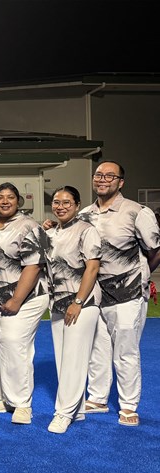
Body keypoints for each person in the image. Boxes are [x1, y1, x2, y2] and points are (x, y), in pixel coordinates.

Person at [78, 160, 160, 427]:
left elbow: (155, 251)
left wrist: (139, 277)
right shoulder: (84, 214)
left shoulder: (137, 212)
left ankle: (127, 405)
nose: (102, 179)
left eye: (109, 176)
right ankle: (98, 398)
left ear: (121, 182)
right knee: (97, 348)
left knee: (125, 351)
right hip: (95, 293)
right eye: (99, 174)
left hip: (128, 293)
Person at [0, 183, 49, 425]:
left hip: (26, 296)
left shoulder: (29, 226)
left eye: (10, 197)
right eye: (0, 197)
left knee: (13, 344)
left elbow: (34, 265)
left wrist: (17, 299)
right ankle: (3, 398)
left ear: (19, 201)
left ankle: (22, 404)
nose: (5, 201)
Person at [45, 186, 102, 434]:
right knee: (63, 359)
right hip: (57, 302)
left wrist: (78, 302)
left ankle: (63, 413)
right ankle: (76, 409)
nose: (61, 206)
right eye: (56, 202)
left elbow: (92, 268)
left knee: (74, 360)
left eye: (67, 202)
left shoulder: (87, 230)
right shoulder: (50, 232)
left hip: (81, 302)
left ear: (77, 205)